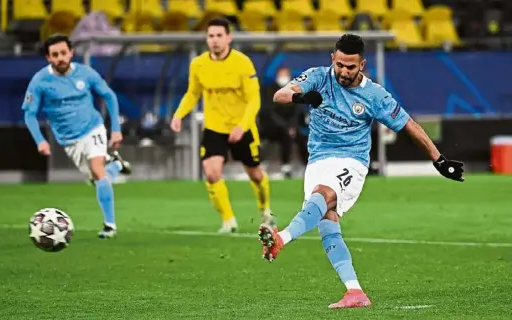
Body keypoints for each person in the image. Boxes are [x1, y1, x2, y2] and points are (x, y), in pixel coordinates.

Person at [258, 34, 464, 309]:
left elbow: (408, 125)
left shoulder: (374, 95)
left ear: (362, 65)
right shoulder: (319, 76)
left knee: (324, 195)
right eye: (340, 64)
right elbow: (279, 95)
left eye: (350, 67)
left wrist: (439, 160)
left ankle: (280, 239)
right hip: (318, 160)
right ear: (333, 58)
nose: (343, 71)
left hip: (351, 162)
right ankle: (354, 291)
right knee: (327, 221)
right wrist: (303, 96)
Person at [170, 17, 274, 233]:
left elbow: (254, 99)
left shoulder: (242, 63)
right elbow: (192, 94)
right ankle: (228, 220)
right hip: (214, 127)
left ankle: (265, 210)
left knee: (255, 174)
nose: (215, 40)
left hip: (242, 127)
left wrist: (242, 126)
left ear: (228, 37)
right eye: (211, 36)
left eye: (219, 35)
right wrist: (179, 115)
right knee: (211, 172)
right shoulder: (198, 64)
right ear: (206, 39)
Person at [22, 34, 132, 239]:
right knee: (96, 178)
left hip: (93, 128)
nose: (61, 58)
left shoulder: (86, 73)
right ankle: (116, 166)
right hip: (68, 139)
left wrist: (115, 128)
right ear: (48, 58)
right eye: (55, 55)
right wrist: (40, 140)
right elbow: (29, 114)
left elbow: (109, 95)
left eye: (64, 53)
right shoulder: (40, 81)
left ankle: (110, 225)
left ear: (71, 53)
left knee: (97, 170)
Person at [259, 67, 308, 178]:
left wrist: (293, 126)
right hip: (272, 126)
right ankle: (266, 164)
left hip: (291, 126)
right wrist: (286, 127)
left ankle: (306, 166)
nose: (284, 77)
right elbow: (269, 112)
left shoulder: (294, 90)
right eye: (282, 74)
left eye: (286, 74)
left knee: (301, 138)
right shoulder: (269, 90)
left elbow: (297, 111)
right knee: (284, 135)